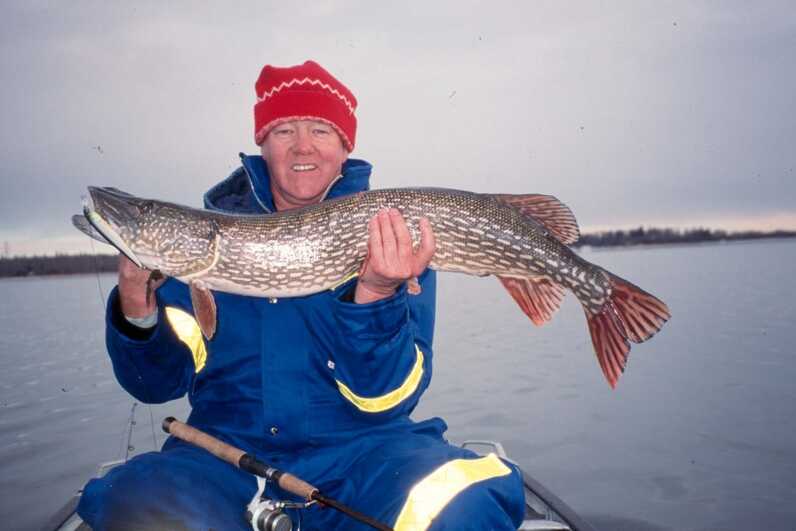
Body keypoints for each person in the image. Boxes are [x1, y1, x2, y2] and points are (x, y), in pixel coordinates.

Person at [77, 60, 525, 530]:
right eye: (284, 130)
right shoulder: (194, 269)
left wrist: (376, 292)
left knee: (463, 502)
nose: (303, 146)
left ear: (345, 146)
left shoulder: (393, 240)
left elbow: (391, 398)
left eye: (321, 131)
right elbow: (153, 388)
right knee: (133, 507)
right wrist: (135, 305)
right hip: (222, 460)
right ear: (263, 144)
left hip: (366, 458)